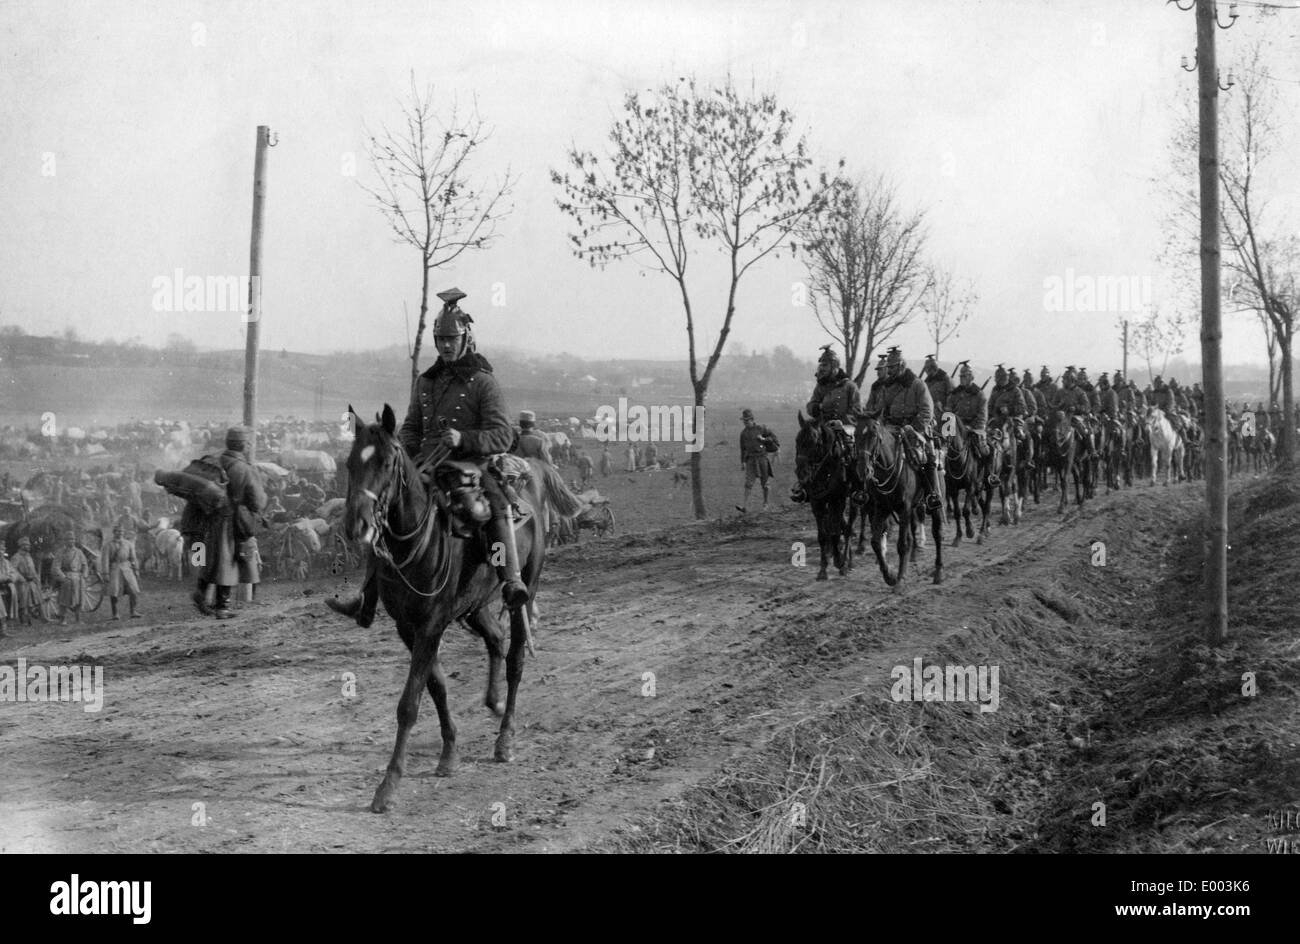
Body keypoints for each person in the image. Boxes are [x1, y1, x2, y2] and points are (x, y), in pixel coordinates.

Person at [327, 287, 527, 627]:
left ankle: (511, 580)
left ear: (466, 338)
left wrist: (464, 438)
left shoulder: (483, 382)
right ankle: (366, 598)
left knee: (493, 505)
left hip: (472, 464)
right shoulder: (426, 382)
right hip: (426, 465)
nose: (446, 345)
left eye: (452, 338)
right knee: (387, 510)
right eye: (440, 339)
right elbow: (410, 431)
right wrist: (399, 450)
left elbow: (503, 435)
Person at [192, 425, 267, 619]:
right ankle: (222, 607)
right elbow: (257, 501)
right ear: (243, 445)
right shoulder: (244, 468)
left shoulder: (214, 461)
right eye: (248, 443)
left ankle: (201, 593)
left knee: (211, 560)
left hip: (207, 518)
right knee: (228, 562)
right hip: (230, 521)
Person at [877, 347, 943, 514]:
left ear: (901, 366)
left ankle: (931, 495)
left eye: (892, 367)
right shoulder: (887, 387)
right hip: (891, 428)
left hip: (916, 430)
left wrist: (913, 427)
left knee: (927, 455)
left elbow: (927, 411)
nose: (889, 371)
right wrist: (882, 426)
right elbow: (881, 410)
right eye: (888, 367)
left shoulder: (917, 384)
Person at [738, 408, 778, 511]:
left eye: (747, 420)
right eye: (744, 421)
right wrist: (743, 462)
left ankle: (765, 504)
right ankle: (744, 506)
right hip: (750, 460)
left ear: (752, 419)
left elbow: (773, 438)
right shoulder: (743, 434)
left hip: (762, 459)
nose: (745, 422)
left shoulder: (761, 429)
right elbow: (743, 449)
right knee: (748, 483)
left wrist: (764, 439)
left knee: (765, 483)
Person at [51, 530, 88, 626]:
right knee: (64, 599)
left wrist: (84, 575)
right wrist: (63, 577)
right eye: (68, 539)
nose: (71, 541)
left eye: (72, 539)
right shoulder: (60, 552)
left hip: (78, 578)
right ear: (65, 541)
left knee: (79, 599)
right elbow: (56, 567)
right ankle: (62, 619)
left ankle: (78, 619)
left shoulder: (79, 552)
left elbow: (85, 565)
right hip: (67, 577)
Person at [105, 524, 141, 620]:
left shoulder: (128, 544)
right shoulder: (109, 545)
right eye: (118, 531)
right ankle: (115, 614)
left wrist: (136, 569)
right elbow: (105, 560)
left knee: (133, 590)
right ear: (114, 532)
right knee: (114, 592)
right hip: (115, 568)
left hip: (127, 568)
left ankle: (133, 611)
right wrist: (105, 574)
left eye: (121, 531)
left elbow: (133, 558)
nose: (120, 533)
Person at [10, 536, 42, 625]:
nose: (29, 546)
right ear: (21, 546)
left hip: (31, 582)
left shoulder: (29, 557)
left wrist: (36, 579)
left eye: (28, 545)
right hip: (22, 583)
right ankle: (23, 620)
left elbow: (33, 570)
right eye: (26, 545)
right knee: (23, 602)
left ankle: (31, 619)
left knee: (33, 600)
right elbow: (12, 569)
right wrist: (22, 578)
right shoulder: (16, 557)